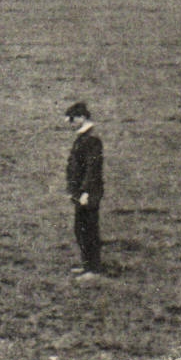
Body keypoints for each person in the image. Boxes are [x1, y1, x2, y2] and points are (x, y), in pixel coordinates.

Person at [65, 101, 104, 279]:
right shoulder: (85, 136)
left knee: (88, 229)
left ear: (82, 117)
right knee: (81, 228)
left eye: (72, 120)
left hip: (88, 193)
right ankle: (87, 265)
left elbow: (92, 167)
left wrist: (86, 192)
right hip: (81, 192)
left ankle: (93, 269)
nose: (70, 124)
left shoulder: (91, 138)